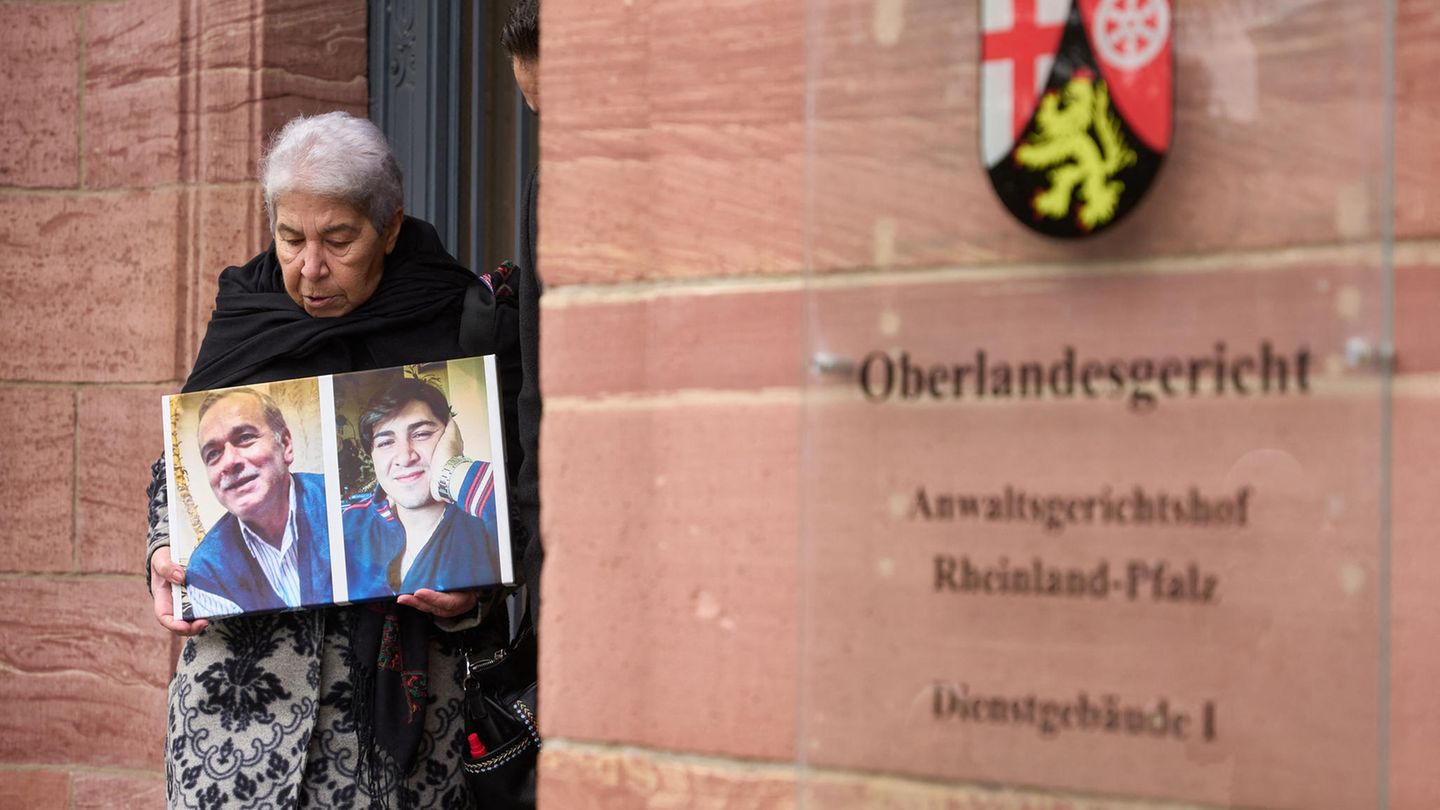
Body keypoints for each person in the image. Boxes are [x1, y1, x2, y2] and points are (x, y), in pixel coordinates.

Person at [145, 111, 519, 808]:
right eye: (291, 238)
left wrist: (476, 593)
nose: (310, 267)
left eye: (338, 240)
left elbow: (516, 494)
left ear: (391, 227)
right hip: (238, 723)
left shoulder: (455, 313)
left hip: (402, 738)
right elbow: (173, 463)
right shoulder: (246, 308)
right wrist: (163, 551)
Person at [343, 378, 502, 601]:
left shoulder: (484, 514)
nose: (405, 457)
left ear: (451, 436)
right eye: (386, 442)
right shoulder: (346, 520)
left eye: (421, 434)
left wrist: (451, 470)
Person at [183, 388, 332, 618]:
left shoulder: (344, 505)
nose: (229, 462)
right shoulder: (207, 570)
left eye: (245, 438)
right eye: (213, 453)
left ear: (285, 444)